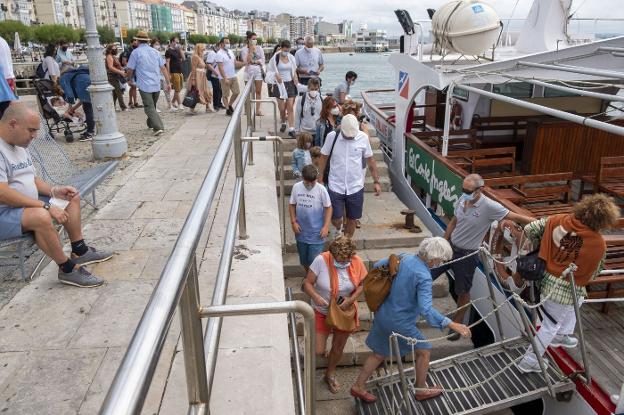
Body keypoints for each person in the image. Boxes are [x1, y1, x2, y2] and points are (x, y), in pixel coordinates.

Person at [0, 102, 112, 287]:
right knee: (41, 216)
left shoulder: (18, 144)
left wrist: (54, 191)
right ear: (13, 124)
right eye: (31, 130)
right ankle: (67, 269)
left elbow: (31, 179)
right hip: (4, 212)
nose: (35, 136)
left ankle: (80, 251)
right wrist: (45, 205)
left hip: (23, 206)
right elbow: (2, 193)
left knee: (70, 196)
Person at [350, 237, 472, 403]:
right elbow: (426, 310)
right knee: (424, 350)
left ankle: (358, 386)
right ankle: (421, 389)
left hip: (383, 312)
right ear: (433, 258)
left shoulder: (405, 257)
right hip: (400, 321)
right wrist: (452, 323)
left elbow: (379, 265)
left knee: (379, 353)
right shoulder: (424, 276)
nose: (441, 263)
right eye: (441, 260)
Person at [516, 194, 619, 373]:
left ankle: (562, 335)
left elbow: (531, 229)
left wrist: (545, 248)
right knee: (549, 326)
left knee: (578, 300)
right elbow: (594, 272)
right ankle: (529, 361)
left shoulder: (557, 220)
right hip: (564, 287)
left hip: (543, 276)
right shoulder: (598, 244)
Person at [431, 174, 535, 340]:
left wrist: (541, 223)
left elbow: (513, 216)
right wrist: (443, 242)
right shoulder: (462, 198)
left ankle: (458, 324)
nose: (464, 192)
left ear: (480, 190)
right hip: (450, 248)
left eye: (468, 190)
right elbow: (454, 221)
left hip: (466, 255)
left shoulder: (489, 206)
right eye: (463, 189)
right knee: (427, 273)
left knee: (463, 291)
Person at [302, 235, 367, 394]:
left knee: (338, 347)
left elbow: (363, 284)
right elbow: (307, 283)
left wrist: (350, 299)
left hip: (343, 310)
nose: (343, 263)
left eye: (347, 261)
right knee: (318, 350)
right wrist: (316, 297)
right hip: (321, 310)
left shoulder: (356, 261)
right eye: (340, 260)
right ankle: (324, 348)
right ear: (332, 254)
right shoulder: (320, 260)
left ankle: (329, 374)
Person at [317, 114, 381, 238]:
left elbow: (371, 160)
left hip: (356, 186)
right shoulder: (332, 137)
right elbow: (323, 158)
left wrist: (376, 181)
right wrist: (319, 179)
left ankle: (346, 242)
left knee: (352, 219)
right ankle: (339, 228)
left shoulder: (363, 138)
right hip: (335, 184)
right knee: (335, 218)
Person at [126, 31, 171, 136]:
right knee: (152, 106)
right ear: (147, 41)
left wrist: (129, 79)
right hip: (156, 83)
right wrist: (168, 82)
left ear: (137, 40)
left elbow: (130, 69)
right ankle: (150, 123)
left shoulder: (135, 52)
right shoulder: (155, 52)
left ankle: (158, 127)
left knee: (149, 107)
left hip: (144, 84)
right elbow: (163, 68)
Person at [289, 164, 332, 273]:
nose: (309, 185)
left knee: (314, 260)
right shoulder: (296, 187)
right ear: (302, 178)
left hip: (317, 233)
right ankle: (309, 277)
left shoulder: (321, 189)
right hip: (301, 232)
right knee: (304, 260)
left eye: (312, 182)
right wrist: (293, 222)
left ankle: (311, 280)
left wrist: (326, 226)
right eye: (307, 182)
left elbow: (328, 208)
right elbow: (292, 205)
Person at [265, 40, 298, 137]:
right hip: (279, 84)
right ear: (281, 48)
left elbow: (294, 69)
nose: (286, 51)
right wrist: (276, 75)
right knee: (282, 108)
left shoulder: (291, 57)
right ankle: (284, 122)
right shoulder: (275, 58)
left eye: (288, 49)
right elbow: (269, 70)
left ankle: (292, 129)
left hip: (290, 84)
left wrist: (295, 78)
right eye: (285, 49)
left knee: (290, 107)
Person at [59, 66, 95, 141]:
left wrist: (70, 107)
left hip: (84, 84)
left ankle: (90, 133)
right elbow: (83, 100)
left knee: (88, 109)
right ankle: (90, 130)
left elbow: (69, 94)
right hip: (91, 82)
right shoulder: (77, 73)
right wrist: (73, 108)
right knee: (89, 107)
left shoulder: (64, 77)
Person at [240, 31, 265, 116]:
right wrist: (250, 50)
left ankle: (258, 110)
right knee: (248, 92)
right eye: (253, 39)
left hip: (258, 71)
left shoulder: (259, 48)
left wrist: (255, 61)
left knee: (258, 91)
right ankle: (247, 109)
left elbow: (263, 60)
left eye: (256, 39)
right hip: (248, 72)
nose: (255, 41)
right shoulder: (244, 49)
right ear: (249, 40)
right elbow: (246, 61)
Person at [215, 37, 242, 116]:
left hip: (233, 75)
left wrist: (244, 63)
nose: (228, 44)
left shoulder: (230, 51)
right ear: (221, 44)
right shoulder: (219, 54)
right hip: (224, 78)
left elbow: (235, 62)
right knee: (225, 94)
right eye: (226, 43)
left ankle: (229, 104)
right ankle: (227, 109)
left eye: (228, 42)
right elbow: (220, 67)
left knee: (236, 92)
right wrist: (225, 78)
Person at [188, 43, 214, 113]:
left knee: (206, 91)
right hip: (197, 76)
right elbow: (193, 68)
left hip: (202, 76)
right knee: (197, 92)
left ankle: (207, 107)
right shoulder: (195, 57)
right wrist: (193, 79)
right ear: (198, 49)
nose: (204, 50)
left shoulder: (200, 56)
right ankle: (192, 108)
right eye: (202, 49)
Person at [105, 44, 127, 112]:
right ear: (110, 50)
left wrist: (123, 69)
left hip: (116, 76)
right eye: (114, 49)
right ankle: (123, 107)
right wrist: (120, 72)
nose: (115, 50)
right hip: (112, 77)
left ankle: (112, 107)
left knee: (115, 93)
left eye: (116, 48)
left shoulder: (113, 56)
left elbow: (118, 66)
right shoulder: (109, 56)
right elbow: (110, 67)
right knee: (118, 91)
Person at [165, 35, 185, 111]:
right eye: (176, 42)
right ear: (172, 42)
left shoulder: (177, 50)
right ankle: (180, 104)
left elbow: (183, 58)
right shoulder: (168, 51)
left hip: (180, 71)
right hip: (174, 72)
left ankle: (173, 102)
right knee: (177, 89)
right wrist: (169, 73)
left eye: (178, 42)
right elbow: (167, 62)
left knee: (179, 88)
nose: (177, 43)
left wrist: (180, 50)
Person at [121, 38, 141, 109]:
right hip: (130, 71)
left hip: (135, 71)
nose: (136, 43)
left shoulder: (136, 50)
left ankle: (133, 102)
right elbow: (124, 61)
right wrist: (129, 68)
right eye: (134, 42)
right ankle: (131, 102)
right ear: (131, 42)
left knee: (134, 87)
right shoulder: (127, 51)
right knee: (133, 86)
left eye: (137, 42)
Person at [204, 45, 224, 111]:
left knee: (220, 90)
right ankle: (215, 105)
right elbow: (208, 64)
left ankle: (219, 103)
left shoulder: (220, 53)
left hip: (220, 75)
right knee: (216, 89)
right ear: (218, 46)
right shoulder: (212, 53)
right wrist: (215, 72)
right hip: (214, 74)